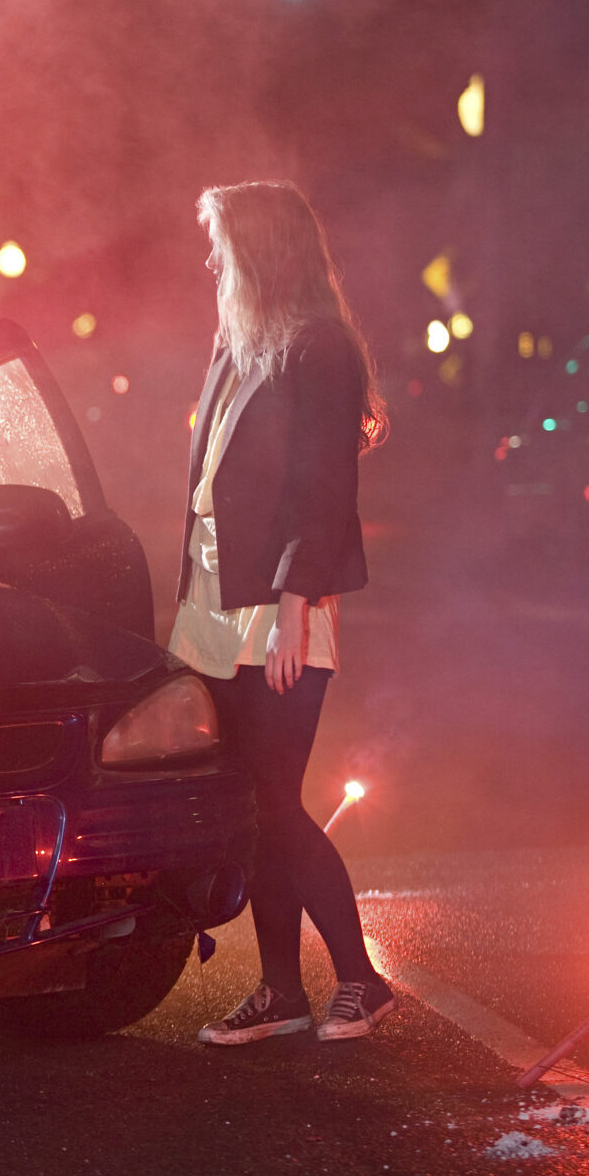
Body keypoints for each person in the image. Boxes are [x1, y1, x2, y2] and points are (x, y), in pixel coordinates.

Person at [174, 181, 395, 1047]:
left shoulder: (319, 346)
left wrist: (297, 606)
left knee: (276, 799)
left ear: (260, 250)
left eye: (222, 245)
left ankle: (361, 980)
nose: (211, 261)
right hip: (216, 606)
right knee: (253, 801)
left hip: (277, 606)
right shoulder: (241, 341)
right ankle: (280, 991)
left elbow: (324, 488)